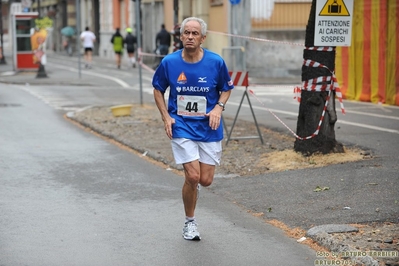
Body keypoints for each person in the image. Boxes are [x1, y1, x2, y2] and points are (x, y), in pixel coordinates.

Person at [152, 17, 234, 241]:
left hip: (209, 127)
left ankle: (193, 187)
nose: (189, 37)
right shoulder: (169, 62)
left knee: (205, 180)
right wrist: (166, 117)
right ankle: (190, 222)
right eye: (186, 33)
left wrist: (218, 108)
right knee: (193, 175)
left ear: (203, 38)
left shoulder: (216, 62)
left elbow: (226, 88)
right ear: (180, 37)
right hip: (182, 126)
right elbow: (157, 89)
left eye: (194, 33)